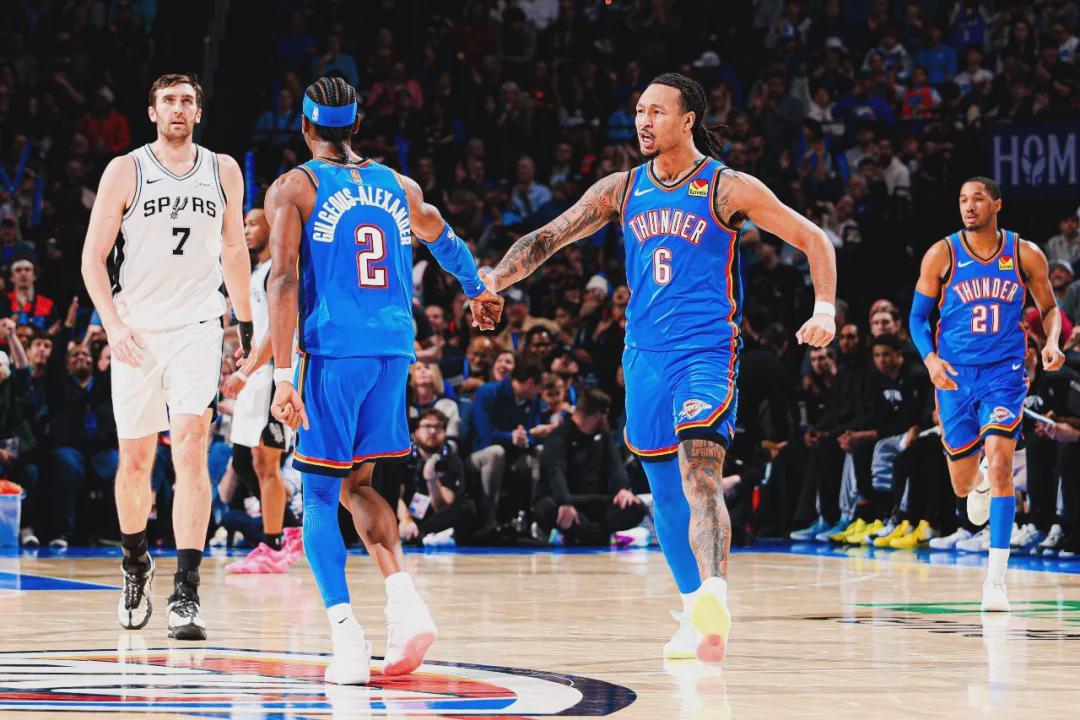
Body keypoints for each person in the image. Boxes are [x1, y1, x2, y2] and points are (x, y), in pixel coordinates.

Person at [484, 72, 837, 662]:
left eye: (657, 112)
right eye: (639, 111)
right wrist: (495, 278)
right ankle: (696, 610)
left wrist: (823, 307)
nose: (643, 122)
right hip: (643, 358)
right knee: (665, 490)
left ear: (688, 119)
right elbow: (549, 237)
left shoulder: (726, 187)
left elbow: (814, 238)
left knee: (700, 473)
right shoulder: (623, 188)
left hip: (706, 353)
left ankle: (716, 596)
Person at [263, 76, 503, 684]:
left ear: (305, 127)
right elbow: (441, 233)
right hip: (393, 351)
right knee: (360, 484)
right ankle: (405, 601)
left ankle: (346, 637)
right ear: (357, 125)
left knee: (319, 494)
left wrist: (283, 375)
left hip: (332, 351)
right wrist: (477, 288)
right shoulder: (399, 185)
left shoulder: (295, 186)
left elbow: (283, 279)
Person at [80, 73, 254, 640]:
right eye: (168, 101)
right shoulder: (125, 169)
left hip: (197, 326)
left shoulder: (223, 169)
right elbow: (92, 259)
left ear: (199, 112)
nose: (178, 108)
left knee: (191, 445)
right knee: (134, 460)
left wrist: (244, 321)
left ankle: (187, 589)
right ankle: (135, 563)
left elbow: (234, 248)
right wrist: (113, 326)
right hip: (136, 330)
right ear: (152, 112)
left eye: (187, 101)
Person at [909, 176, 1064, 611]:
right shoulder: (942, 253)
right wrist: (930, 360)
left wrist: (1052, 342)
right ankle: (976, 484)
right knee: (963, 486)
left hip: (1004, 373)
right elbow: (918, 318)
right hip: (955, 376)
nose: (969, 206)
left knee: (1000, 463)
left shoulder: (1024, 252)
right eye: (963, 199)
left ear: (997, 204)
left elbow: (1050, 309)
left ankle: (995, 582)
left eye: (978, 198)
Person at [220, 208, 297, 574]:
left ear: (272, 224)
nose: (246, 229)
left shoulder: (279, 269)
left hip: (272, 376)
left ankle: (274, 543)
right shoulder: (258, 271)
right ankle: (286, 529)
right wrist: (248, 351)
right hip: (258, 373)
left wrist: (246, 369)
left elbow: (282, 326)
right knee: (245, 462)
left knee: (267, 463)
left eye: (252, 223)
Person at [535, 388, 645, 546]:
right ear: (598, 415)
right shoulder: (559, 437)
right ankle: (600, 535)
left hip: (594, 499)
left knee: (635, 507)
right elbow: (555, 472)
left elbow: (615, 463)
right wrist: (565, 502)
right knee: (547, 508)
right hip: (565, 499)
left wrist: (624, 489)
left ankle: (575, 535)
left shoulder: (604, 435)